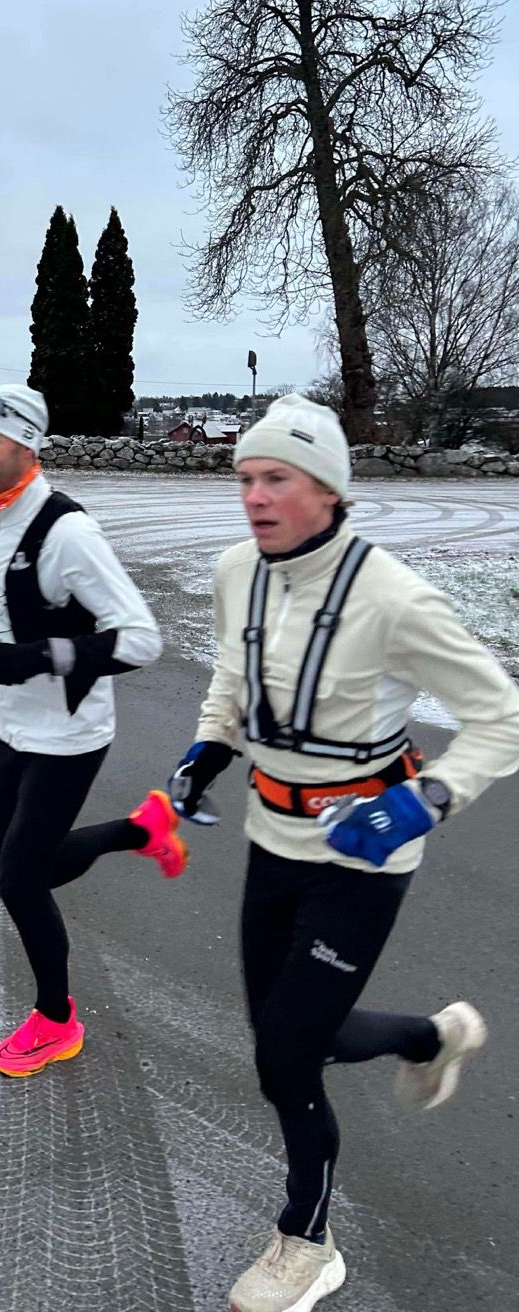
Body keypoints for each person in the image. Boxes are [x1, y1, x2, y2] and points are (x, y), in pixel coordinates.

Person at [169, 393, 519, 1312]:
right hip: (272, 837)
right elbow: (234, 673)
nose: (254, 496)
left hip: (364, 854)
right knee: (288, 1034)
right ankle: (431, 1036)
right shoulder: (237, 572)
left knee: (285, 1058)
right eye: (246, 478)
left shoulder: (394, 599)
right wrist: (207, 751)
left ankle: (307, 1241)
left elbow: (501, 717)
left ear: (328, 490)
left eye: (276, 478)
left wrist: (422, 802)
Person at [0, 382, 185, 1078]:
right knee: (14, 872)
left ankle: (56, 1021)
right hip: (11, 725)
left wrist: (39, 657)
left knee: (21, 882)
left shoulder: (68, 533)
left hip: (71, 734)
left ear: (27, 445)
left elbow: (141, 639)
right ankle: (141, 830)